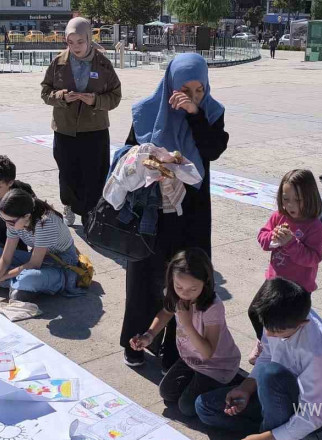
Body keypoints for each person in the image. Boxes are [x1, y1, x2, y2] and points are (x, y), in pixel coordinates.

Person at [121, 53, 228, 370]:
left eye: (199, 89)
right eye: (185, 89)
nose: (192, 96)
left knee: (186, 280)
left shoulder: (211, 111)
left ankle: (174, 349)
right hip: (153, 209)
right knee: (144, 277)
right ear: (170, 84)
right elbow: (130, 154)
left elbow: (213, 149)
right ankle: (135, 340)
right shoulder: (147, 110)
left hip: (191, 213)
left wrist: (195, 114)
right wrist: (153, 161)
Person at [195, 278, 322, 438]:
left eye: (277, 332)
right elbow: (267, 355)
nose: (268, 334)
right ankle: (275, 432)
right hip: (273, 392)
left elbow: (313, 416)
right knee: (204, 407)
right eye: (266, 327)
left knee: (270, 374)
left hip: (314, 411)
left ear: (302, 323)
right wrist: (246, 388)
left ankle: (271, 433)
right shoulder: (277, 316)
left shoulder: (318, 352)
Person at [129, 249, 243, 417]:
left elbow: (208, 352)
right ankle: (200, 382)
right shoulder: (174, 294)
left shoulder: (213, 306)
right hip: (190, 358)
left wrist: (187, 323)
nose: (184, 293)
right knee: (166, 393)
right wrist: (149, 336)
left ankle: (237, 384)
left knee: (187, 407)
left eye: (193, 289)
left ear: (206, 282)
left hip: (217, 364)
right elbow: (166, 313)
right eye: (178, 286)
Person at [40, 17, 121, 227]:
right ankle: (68, 204)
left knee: (94, 173)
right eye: (71, 42)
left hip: (95, 129)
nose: (76, 47)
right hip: (65, 129)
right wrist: (61, 97)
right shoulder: (58, 62)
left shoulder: (103, 64)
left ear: (89, 38)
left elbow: (115, 96)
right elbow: (45, 92)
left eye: (80, 41)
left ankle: (91, 211)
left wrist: (96, 100)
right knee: (67, 171)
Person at [247, 169, 322, 364]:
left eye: (297, 200)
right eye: (285, 199)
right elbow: (263, 238)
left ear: (310, 198)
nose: (290, 205)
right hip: (274, 280)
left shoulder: (315, 227)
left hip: (298, 287)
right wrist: (272, 238)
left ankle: (286, 353)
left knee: (289, 324)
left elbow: (313, 258)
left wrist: (290, 243)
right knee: (255, 312)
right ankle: (264, 342)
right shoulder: (278, 217)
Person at [0, 189, 83, 302]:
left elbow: (34, 264)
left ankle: (21, 283)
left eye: (10, 222)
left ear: (26, 216)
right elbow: (5, 259)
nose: (7, 224)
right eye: (2, 218)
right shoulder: (15, 222)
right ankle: (20, 285)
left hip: (60, 264)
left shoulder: (46, 223)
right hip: (37, 259)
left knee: (28, 278)